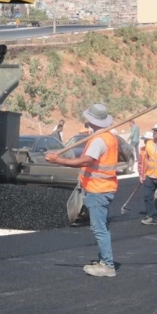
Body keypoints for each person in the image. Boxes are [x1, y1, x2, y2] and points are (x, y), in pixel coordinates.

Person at [46, 103, 118, 277]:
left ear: (90, 120)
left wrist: (58, 161)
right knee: (102, 227)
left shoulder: (99, 140)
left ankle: (107, 265)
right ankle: (103, 260)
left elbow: (85, 161)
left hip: (98, 189)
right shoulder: (108, 137)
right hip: (104, 188)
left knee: (99, 228)